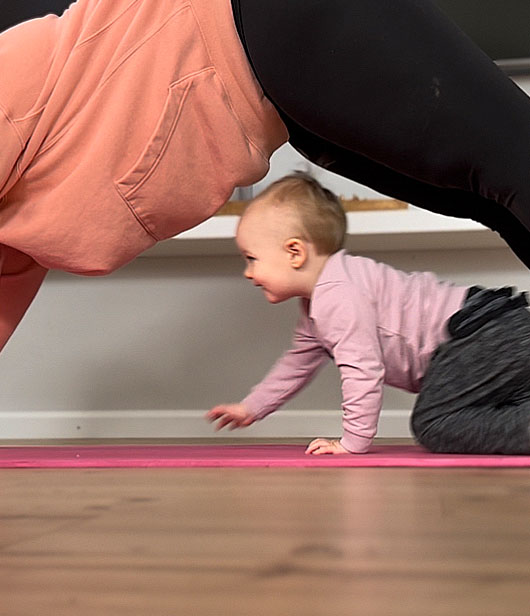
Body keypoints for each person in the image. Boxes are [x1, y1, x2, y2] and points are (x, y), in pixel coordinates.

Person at [2, 0, 530, 354]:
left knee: (514, 164)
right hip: (280, 89)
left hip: (264, 23)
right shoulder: (15, 234)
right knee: (497, 196)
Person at [206, 173, 530, 455]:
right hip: (497, 330)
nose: (248, 273)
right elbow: (294, 366)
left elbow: (362, 369)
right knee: (467, 411)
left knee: (433, 422)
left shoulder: (338, 295)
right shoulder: (318, 304)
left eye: (252, 258)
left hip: (482, 332)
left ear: (295, 252)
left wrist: (352, 442)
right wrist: (250, 408)